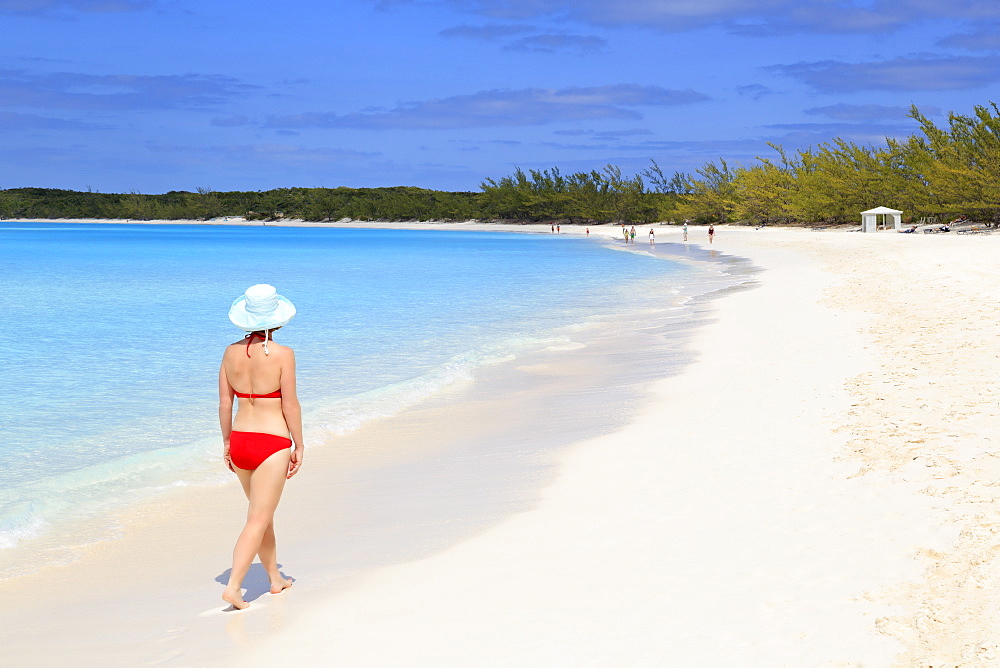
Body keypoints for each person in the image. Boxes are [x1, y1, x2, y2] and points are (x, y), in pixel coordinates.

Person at [219, 284, 304, 610]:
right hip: (272, 443)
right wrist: (299, 443)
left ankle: (274, 579)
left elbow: (225, 404)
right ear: (277, 319)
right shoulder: (283, 354)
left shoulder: (229, 352)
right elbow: (290, 405)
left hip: (241, 440)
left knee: (262, 516)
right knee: (257, 518)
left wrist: (227, 443)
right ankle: (234, 588)